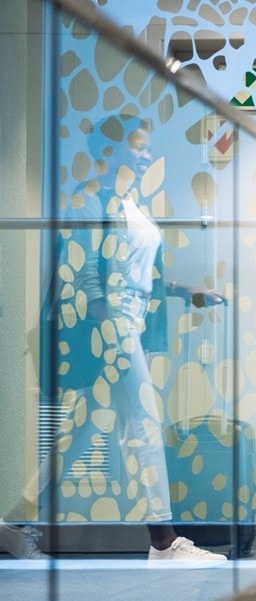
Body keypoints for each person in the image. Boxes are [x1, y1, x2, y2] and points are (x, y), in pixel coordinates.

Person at [0, 116, 227, 561]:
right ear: (112, 150)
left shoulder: (129, 204)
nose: (146, 156)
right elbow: (86, 277)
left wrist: (186, 292)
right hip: (114, 332)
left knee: (80, 434)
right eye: (139, 147)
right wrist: (113, 335)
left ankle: (14, 526)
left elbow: (138, 278)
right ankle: (164, 542)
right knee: (143, 425)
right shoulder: (90, 202)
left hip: (128, 328)